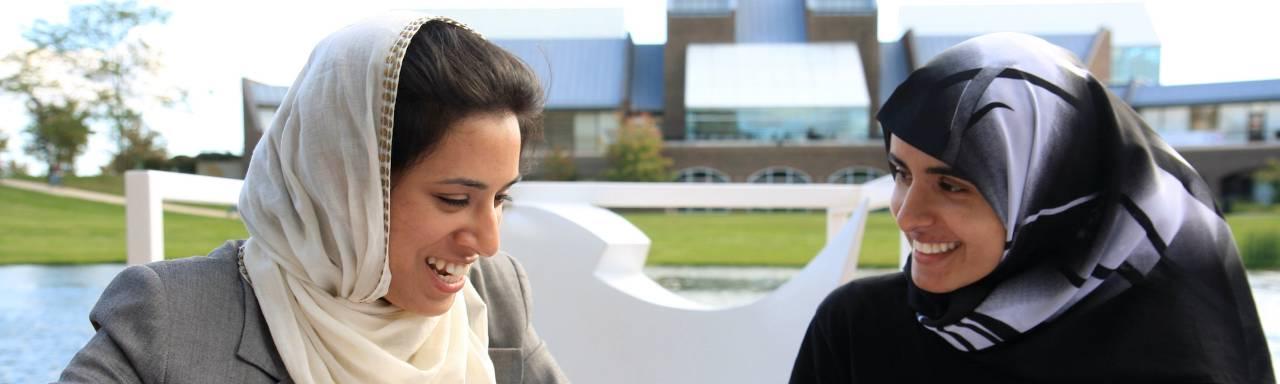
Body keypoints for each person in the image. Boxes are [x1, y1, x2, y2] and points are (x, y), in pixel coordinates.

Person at [58, 13, 567, 384]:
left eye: (501, 198)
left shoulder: (494, 296)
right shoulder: (169, 320)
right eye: (455, 199)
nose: (487, 242)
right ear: (343, 185)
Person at [790, 33, 1273, 383]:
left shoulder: (1179, 352)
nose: (908, 214)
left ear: (1053, 195)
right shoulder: (857, 328)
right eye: (901, 174)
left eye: (953, 185)